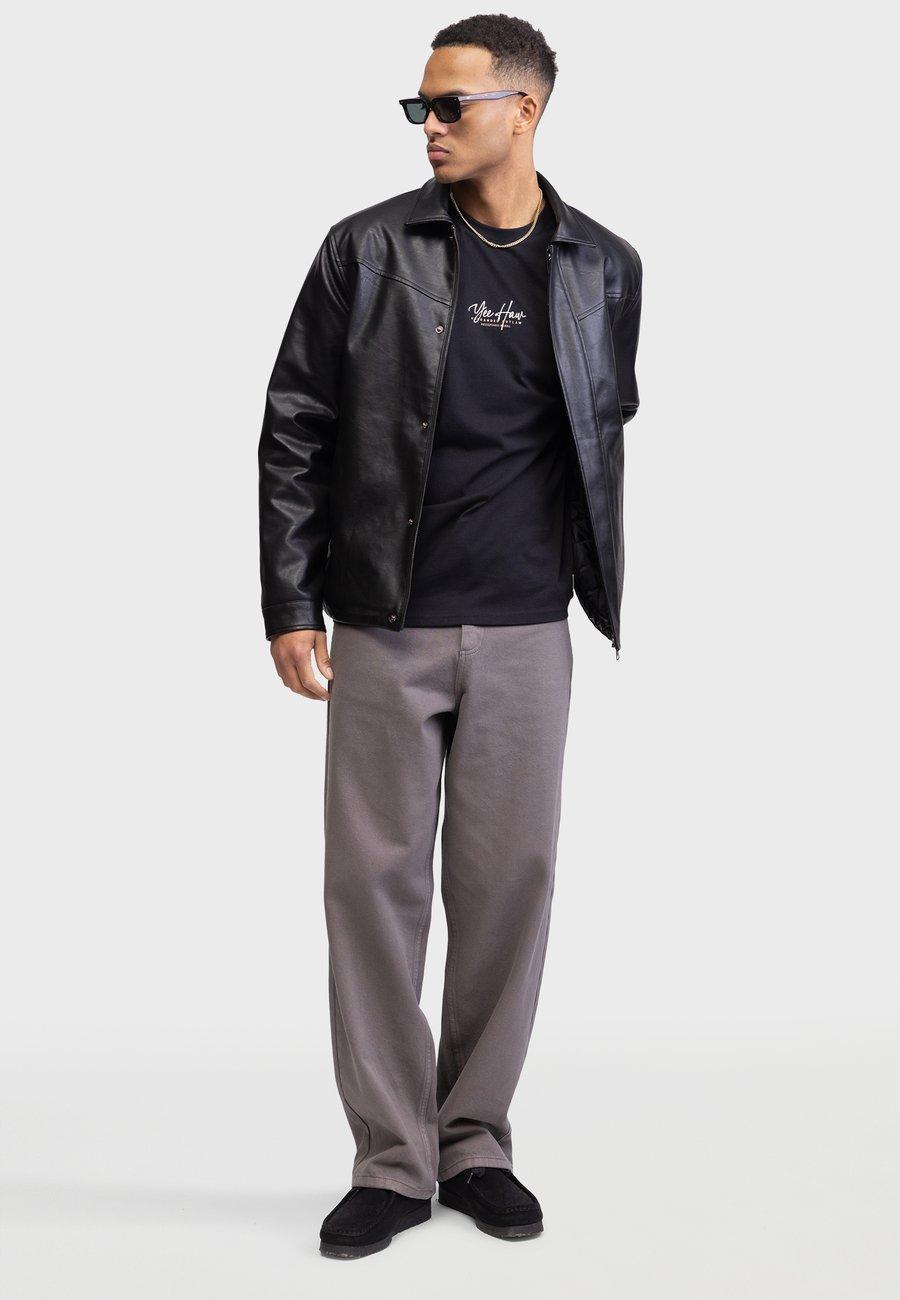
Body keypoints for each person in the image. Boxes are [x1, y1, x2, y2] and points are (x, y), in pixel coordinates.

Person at [257, 14, 642, 1260]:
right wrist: (291, 600)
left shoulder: (604, 267)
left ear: (523, 111)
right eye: (418, 106)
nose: (428, 125)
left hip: (530, 625)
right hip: (386, 618)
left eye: (449, 105)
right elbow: (296, 425)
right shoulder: (365, 250)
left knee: (509, 888)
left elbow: (603, 429)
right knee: (373, 890)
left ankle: (473, 1140)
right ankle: (390, 1156)